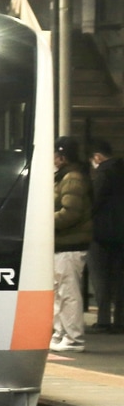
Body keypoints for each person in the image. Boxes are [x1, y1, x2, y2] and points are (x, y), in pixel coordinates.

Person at [52, 136, 94, 352]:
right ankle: (61, 333)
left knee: (68, 292)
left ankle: (73, 338)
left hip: (71, 244)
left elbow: (71, 213)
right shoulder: (65, 176)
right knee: (60, 291)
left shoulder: (72, 178)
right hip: (64, 244)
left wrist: (44, 221)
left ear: (62, 156)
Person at [87, 139, 124, 333]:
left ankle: (103, 320)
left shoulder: (103, 173)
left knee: (101, 278)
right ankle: (120, 320)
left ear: (97, 157)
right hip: (121, 234)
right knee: (120, 279)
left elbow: (95, 202)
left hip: (102, 233)